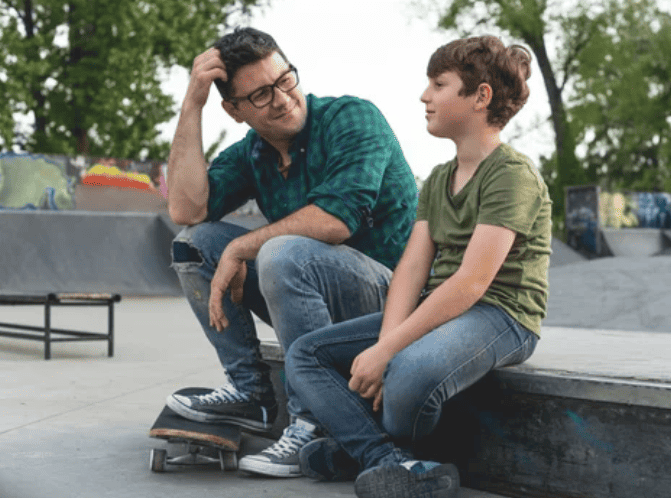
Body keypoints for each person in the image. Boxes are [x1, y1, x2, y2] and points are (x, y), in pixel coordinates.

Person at [285, 35, 551, 498]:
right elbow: (411, 268)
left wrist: (388, 354)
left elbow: (472, 282)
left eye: (438, 84)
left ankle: (364, 451)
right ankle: (389, 460)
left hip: (502, 314)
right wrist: (387, 342)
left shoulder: (512, 174)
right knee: (305, 355)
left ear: (480, 96)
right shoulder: (440, 179)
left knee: (407, 372)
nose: (424, 95)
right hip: (441, 307)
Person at [164, 27, 418, 477]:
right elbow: (187, 208)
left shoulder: (352, 118)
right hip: (310, 293)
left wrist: (242, 247)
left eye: (286, 80)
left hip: (392, 303)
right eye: (261, 95)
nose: (283, 99)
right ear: (235, 111)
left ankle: (314, 421)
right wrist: (192, 104)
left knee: (281, 251)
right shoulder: (253, 153)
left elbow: (335, 221)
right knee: (194, 245)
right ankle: (251, 396)